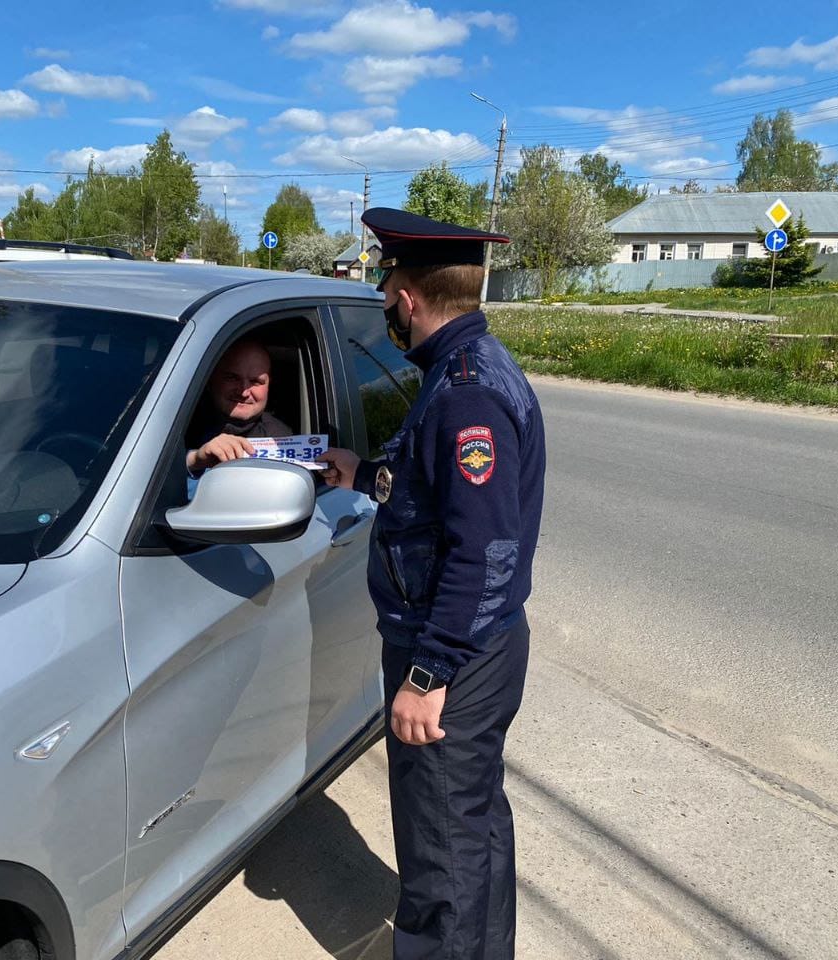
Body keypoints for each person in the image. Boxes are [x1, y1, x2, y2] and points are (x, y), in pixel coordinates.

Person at [317, 207, 546, 960]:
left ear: (409, 296)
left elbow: (483, 554)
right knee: (472, 831)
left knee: (443, 850)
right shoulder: (462, 369)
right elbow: (434, 495)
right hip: (474, 649)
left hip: (456, 655)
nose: (382, 301)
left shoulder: (466, 393)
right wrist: (368, 473)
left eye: (385, 283)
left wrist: (427, 672)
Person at [185, 337, 293, 474]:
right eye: (232, 378)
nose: (243, 391)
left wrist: (326, 469)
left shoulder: (281, 440)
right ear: (211, 378)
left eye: (255, 381)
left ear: (269, 386)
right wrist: (194, 460)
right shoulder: (179, 421)